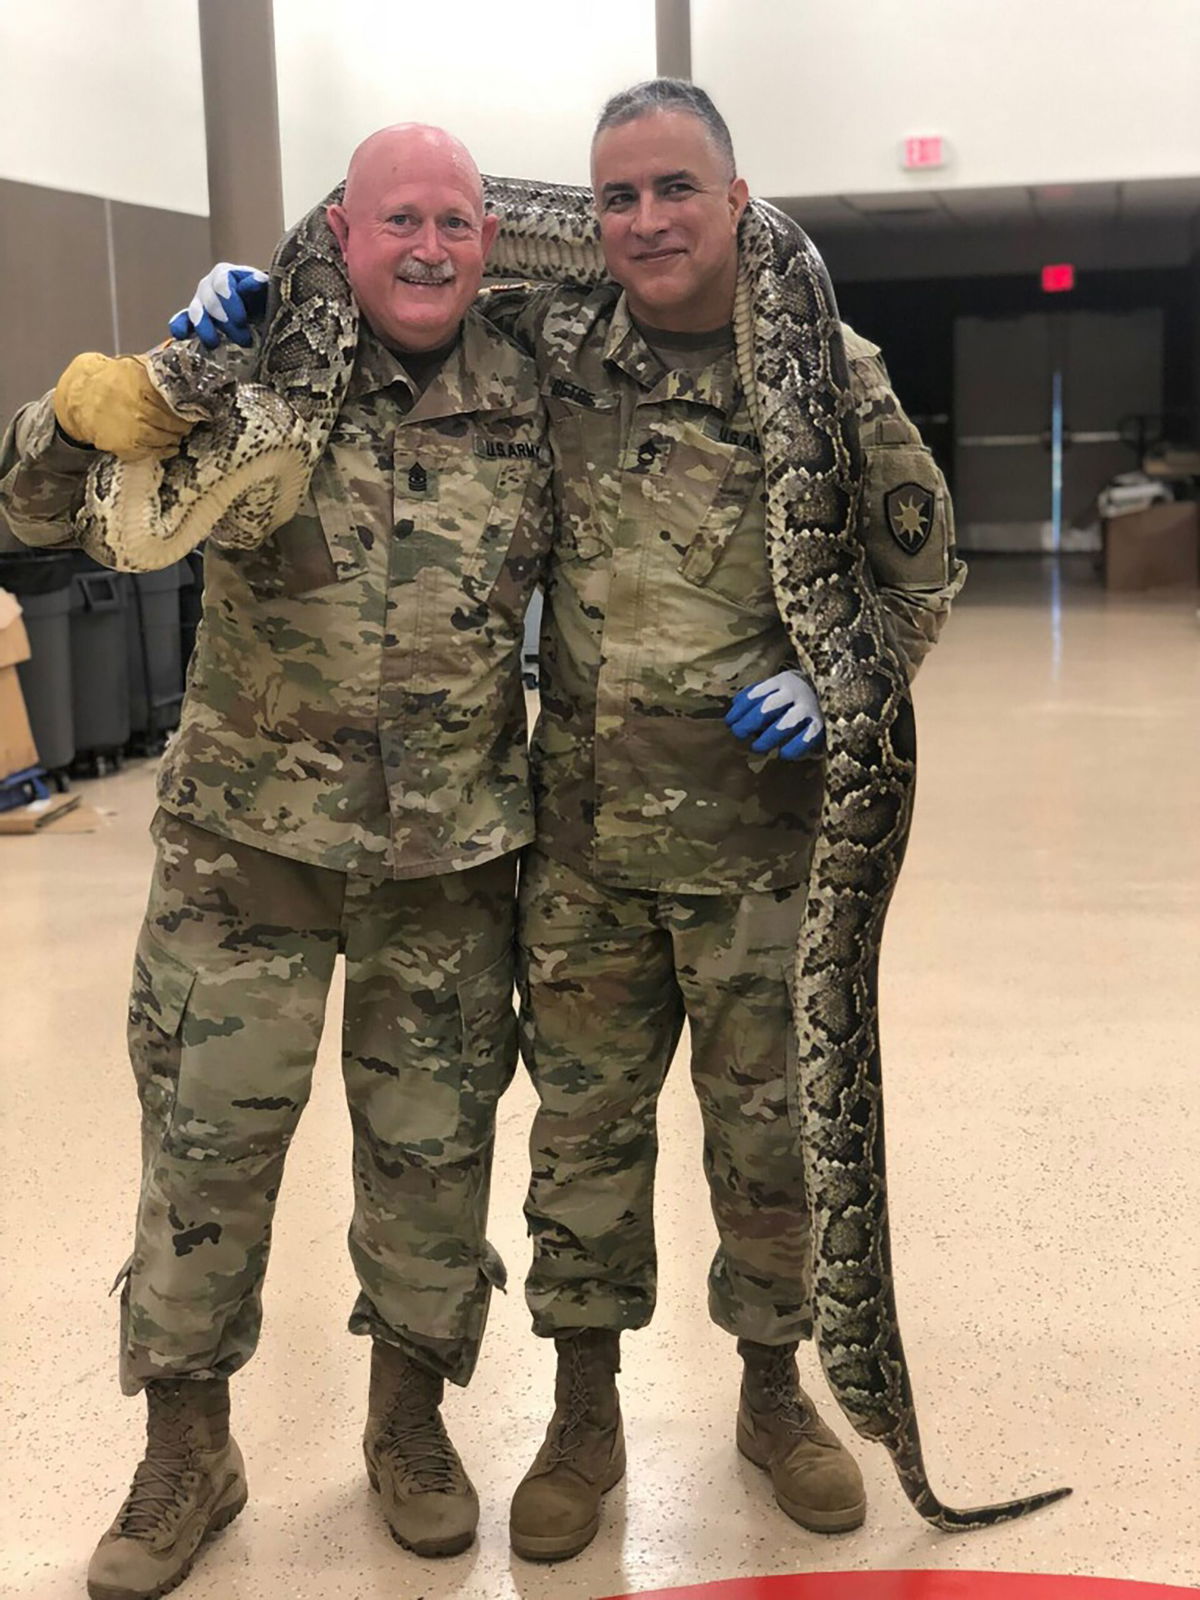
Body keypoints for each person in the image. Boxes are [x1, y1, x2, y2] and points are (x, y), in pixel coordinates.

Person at [175, 78, 965, 1565]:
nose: (645, 221)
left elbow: (919, 576)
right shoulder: (557, 341)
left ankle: (774, 1396)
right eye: (617, 197)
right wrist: (257, 301)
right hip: (583, 850)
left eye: (675, 189)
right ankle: (583, 1413)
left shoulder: (827, 372)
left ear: (737, 199)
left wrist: (834, 670)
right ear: (587, 216)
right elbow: (406, 285)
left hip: (762, 859)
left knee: (768, 1138)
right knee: (581, 1146)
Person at [0, 122, 553, 1599]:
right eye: (399, 222)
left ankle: (409, 1424)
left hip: (448, 858)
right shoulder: (248, 370)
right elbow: (30, 510)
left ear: (487, 239)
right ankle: (190, 1448)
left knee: (433, 1161)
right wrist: (105, 395)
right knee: (205, 1150)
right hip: (245, 853)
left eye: (454, 221)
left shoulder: (539, 395)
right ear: (344, 230)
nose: (429, 248)